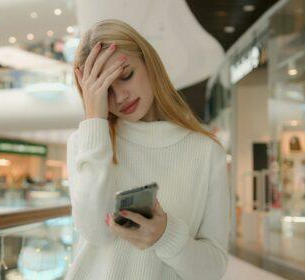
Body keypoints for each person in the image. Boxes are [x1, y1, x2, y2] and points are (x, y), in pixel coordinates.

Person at [65, 19, 230, 280]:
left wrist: (165, 236)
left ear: (148, 62)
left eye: (125, 75)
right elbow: (95, 232)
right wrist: (95, 121)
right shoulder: (85, 142)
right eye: (105, 90)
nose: (120, 97)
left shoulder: (207, 152)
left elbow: (213, 269)